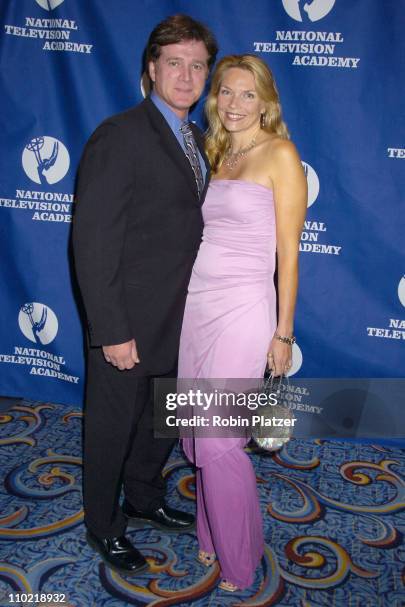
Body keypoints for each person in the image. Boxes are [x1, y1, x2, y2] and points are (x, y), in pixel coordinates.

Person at [72, 15, 218, 576]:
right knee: (111, 426)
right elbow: (93, 240)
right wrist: (111, 330)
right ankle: (103, 526)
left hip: (182, 321)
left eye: (197, 64)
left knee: (159, 422)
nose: (186, 75)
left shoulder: (201, 140)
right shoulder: (121, 134)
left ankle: (143, 496)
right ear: (152, 69)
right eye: (174, 63)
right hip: (129, 321)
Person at [178, 55, 307, 591]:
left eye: (247, 95)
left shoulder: (281, 154)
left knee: (217, 440)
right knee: (192, 434)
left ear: (266, 102)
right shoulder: (219, 151)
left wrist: (283, 333)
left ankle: (241, 558)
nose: (233, 104)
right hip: (197, 306)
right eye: (226, 93)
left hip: (245, 310)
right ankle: (211, 536)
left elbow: (290, 255)